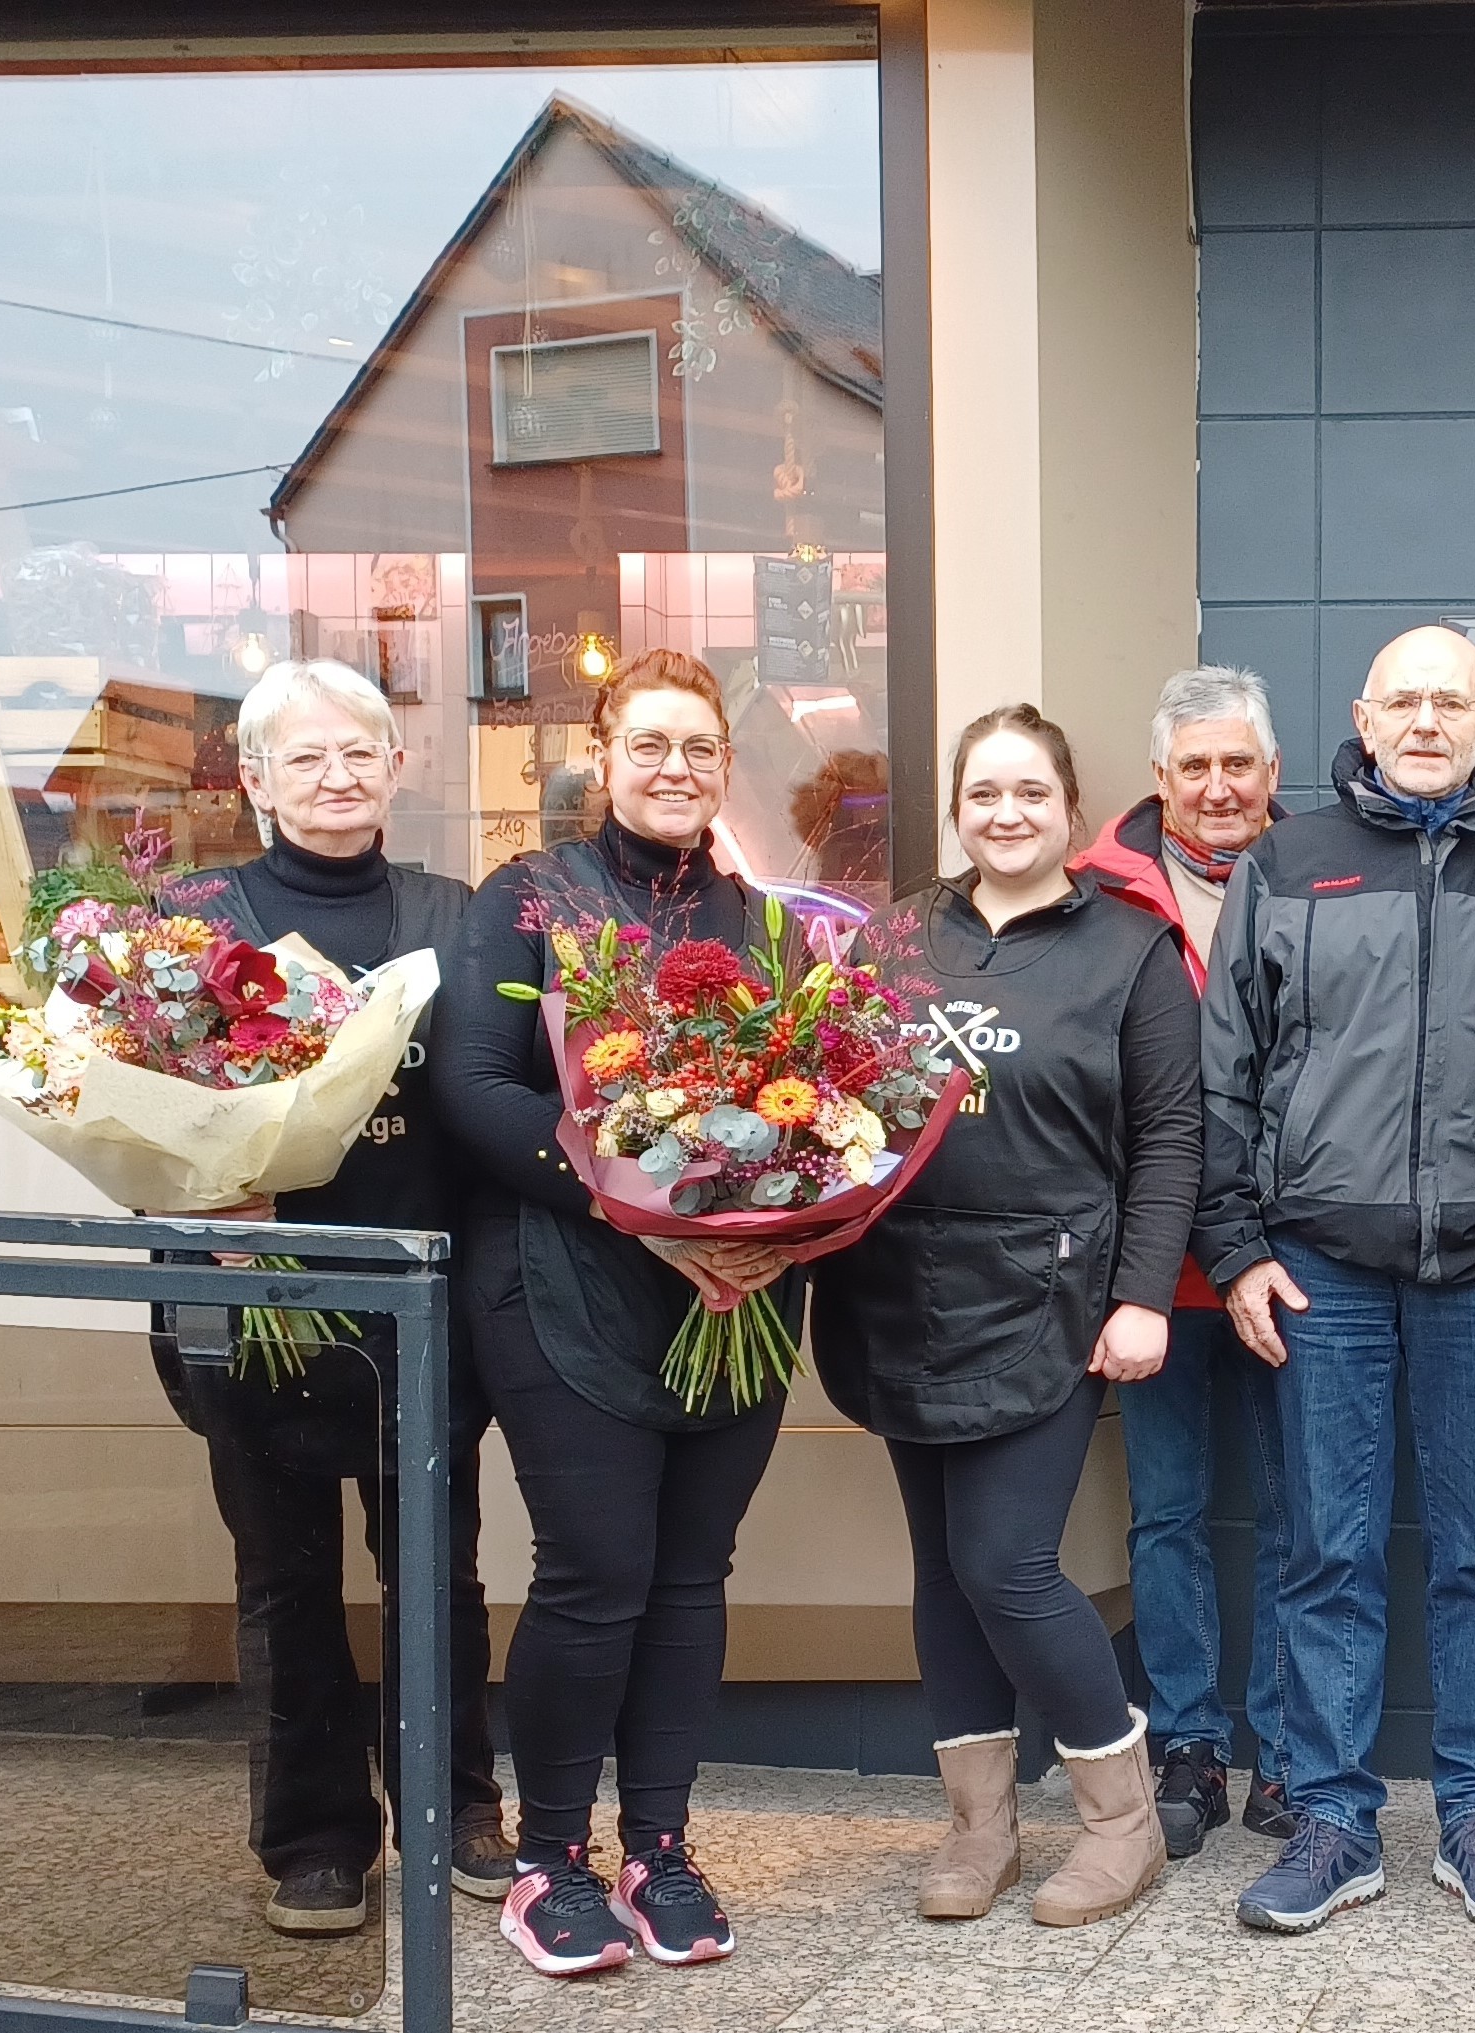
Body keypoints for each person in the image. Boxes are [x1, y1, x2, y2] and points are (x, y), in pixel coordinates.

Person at [1197, 625, 1475, 1935]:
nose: (1422, 719)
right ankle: (1333, 1818)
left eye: (1447, 701)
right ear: (1361, 713)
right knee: (1324, 1550)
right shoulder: (1286, 863)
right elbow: (1222, 1074)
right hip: (1321, 1268)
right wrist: (1234, 1248)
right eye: (1399, 699)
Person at [435, 649, 799, 1977]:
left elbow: (813, 1112)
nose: (674, 768)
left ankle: (658, 1846)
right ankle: (548, 1858)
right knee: (595, 1576)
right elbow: (474, 1094)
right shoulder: (523, 904)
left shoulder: (766, 929)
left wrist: (769, 1230)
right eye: (649, 743)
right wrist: (638, 1202)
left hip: (735, 1299)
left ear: (723, 764)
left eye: (698, 747)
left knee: (692, 1578)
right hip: (562, 1287)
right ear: (603, 748)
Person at [810, 704, 1200, 1928]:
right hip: (897, 1295)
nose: (1006, 813)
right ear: (956, 810)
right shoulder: (890, 941)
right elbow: (828, 1101)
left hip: (1050, 1297)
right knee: (942, 1573)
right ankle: (980, 1829)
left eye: (1030, 791)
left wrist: (1142, 1295)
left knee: (1006, 1561)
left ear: (1070, 809)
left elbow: (1173, 1138)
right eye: (984, 793)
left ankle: (1118, 1820)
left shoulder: (1131, 949)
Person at [151, 658, 509, 1937]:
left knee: (438, 1572)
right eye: (303, 757)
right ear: (253, 778)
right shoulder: (196, 920)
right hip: (249, 1304)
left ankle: (455, 1804)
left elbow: (493, 1102)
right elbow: (131, 1104)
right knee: (283, 1578)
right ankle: (312, 1841)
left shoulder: (453, 913)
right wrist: (196, 1192)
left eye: (358, 751)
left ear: (396, 767)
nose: (335, 775)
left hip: (422, 1307)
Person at [1075, 666, 1296, 1858]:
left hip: (1281, 1265)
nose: (1216, 788)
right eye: (1193, 767)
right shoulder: (1097, 895)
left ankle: (1279, 1748)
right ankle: (1191, 1744)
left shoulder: (1317, 876)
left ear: (1270, 774)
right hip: (1155, 1271)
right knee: (1164, 1513)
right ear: (1159, 778)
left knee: (1291, 1514)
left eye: (1238, 765)